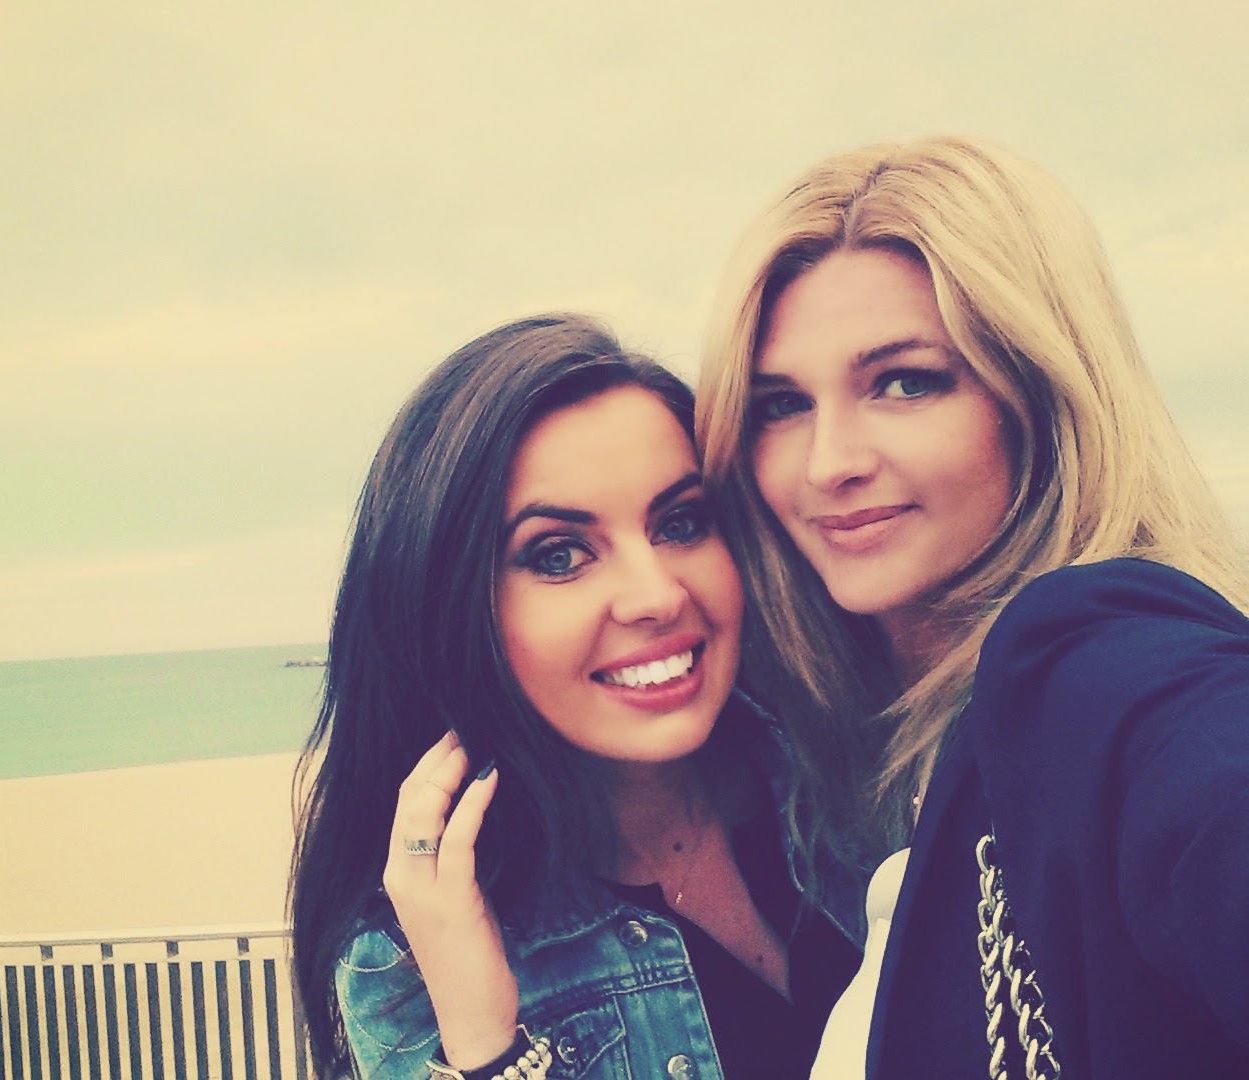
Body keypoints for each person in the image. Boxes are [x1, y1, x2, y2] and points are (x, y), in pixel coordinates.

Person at [696, 134, 1249, 1079]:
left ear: (1038, 395)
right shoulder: (849, 767)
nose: (829, 463)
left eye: (905, 382)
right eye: (781, 405)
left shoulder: (1103, 670)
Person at [290, 314, 859, 1080]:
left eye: (681, 522)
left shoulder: (859, 778)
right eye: (560, 555)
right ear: (453, 611)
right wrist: (484, 1044)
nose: (657, 595)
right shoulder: (414, 953)